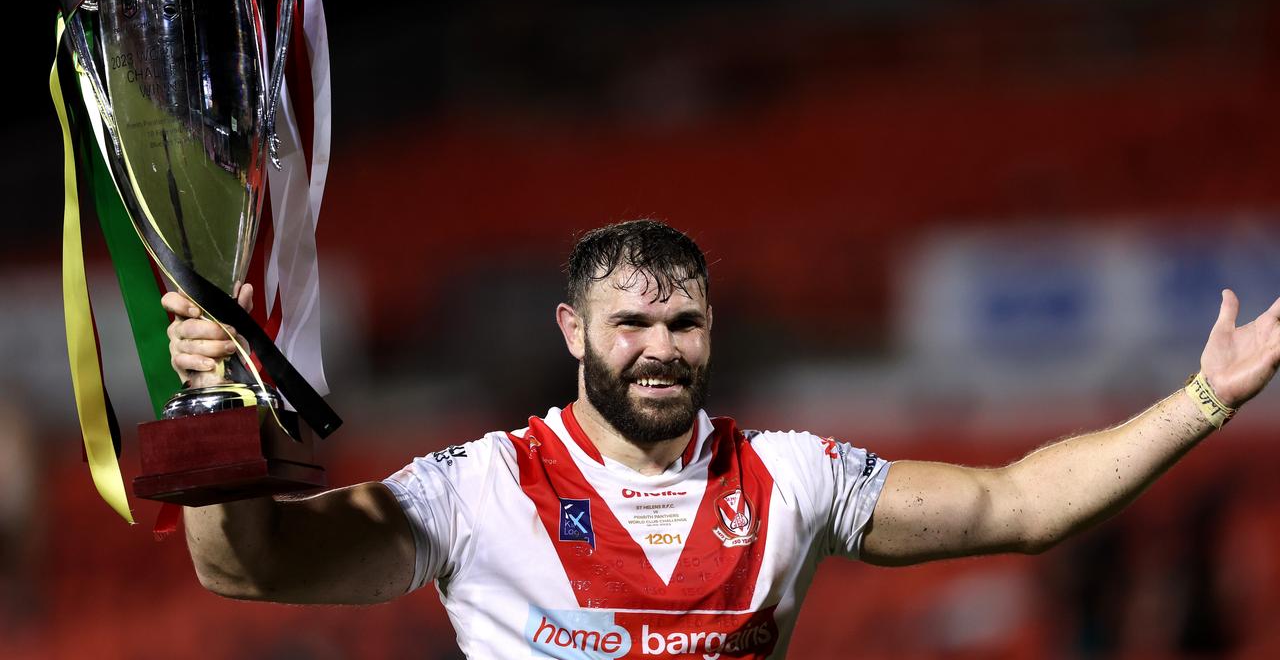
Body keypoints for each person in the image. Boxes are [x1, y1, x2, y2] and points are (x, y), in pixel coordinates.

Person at [164, 219, 1280, 659]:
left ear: (712, 329)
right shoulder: (480, 487)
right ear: (572, 332)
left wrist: (1204, 398)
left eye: (682, 321)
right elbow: (245, 568)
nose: (659, 348)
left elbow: (1018, 504)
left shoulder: (791, 475)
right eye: (630, 323)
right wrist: (215, 412)